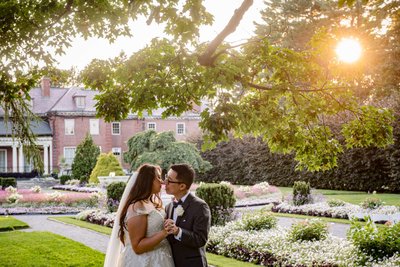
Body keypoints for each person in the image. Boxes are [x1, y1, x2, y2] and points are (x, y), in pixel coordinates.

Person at [104, 164, 174, 267]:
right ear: (148, 181)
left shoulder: (150, 202)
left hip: (160, 258)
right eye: (158, 177)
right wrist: (164, 233)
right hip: (144, 261)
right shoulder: (137, 206)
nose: (161, 181)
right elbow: (137, 247)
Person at [164, 164, 211, 267]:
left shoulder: (200, 206)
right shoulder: (168, 207)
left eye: (169, 180)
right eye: (165, 178)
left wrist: (178, 231)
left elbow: (201, 239)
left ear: (182, 186)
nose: (165, 182)